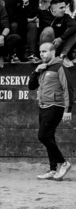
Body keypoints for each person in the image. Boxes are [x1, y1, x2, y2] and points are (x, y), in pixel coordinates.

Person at [31, 40, 72, 181]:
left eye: (45, 51)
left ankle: (63, 163)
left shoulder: (59, 67)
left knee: (43, 136)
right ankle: (53, 170)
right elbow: (31, 86)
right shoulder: (44, 68)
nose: (42, 54)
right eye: (40, 51)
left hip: (55, 106)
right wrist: (36, 71)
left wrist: (68, 110)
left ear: (53, 52)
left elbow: (68, 88)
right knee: (50, 137)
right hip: (43, 106)